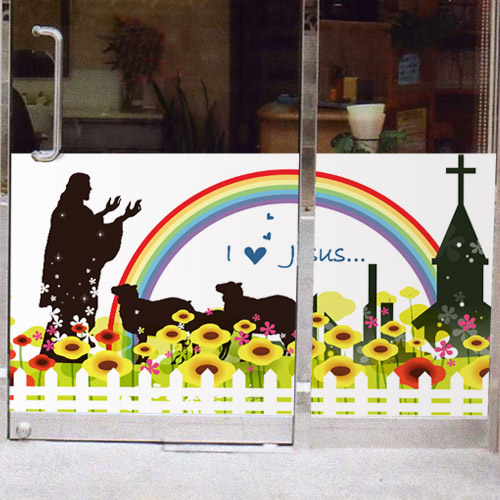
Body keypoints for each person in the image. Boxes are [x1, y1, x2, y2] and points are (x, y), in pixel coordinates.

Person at [39, 173, 141, 362]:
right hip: (75, 277)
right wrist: (121, 219)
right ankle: (69, 356)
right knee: (73, 314)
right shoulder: (74, 211)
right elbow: (88, 236)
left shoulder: (66, 210)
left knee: (63, 315)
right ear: (79, 188)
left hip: (65, 277)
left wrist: (108, 212)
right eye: (87, 186)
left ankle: (56, 353)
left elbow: (86, 228)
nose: (90, 189)